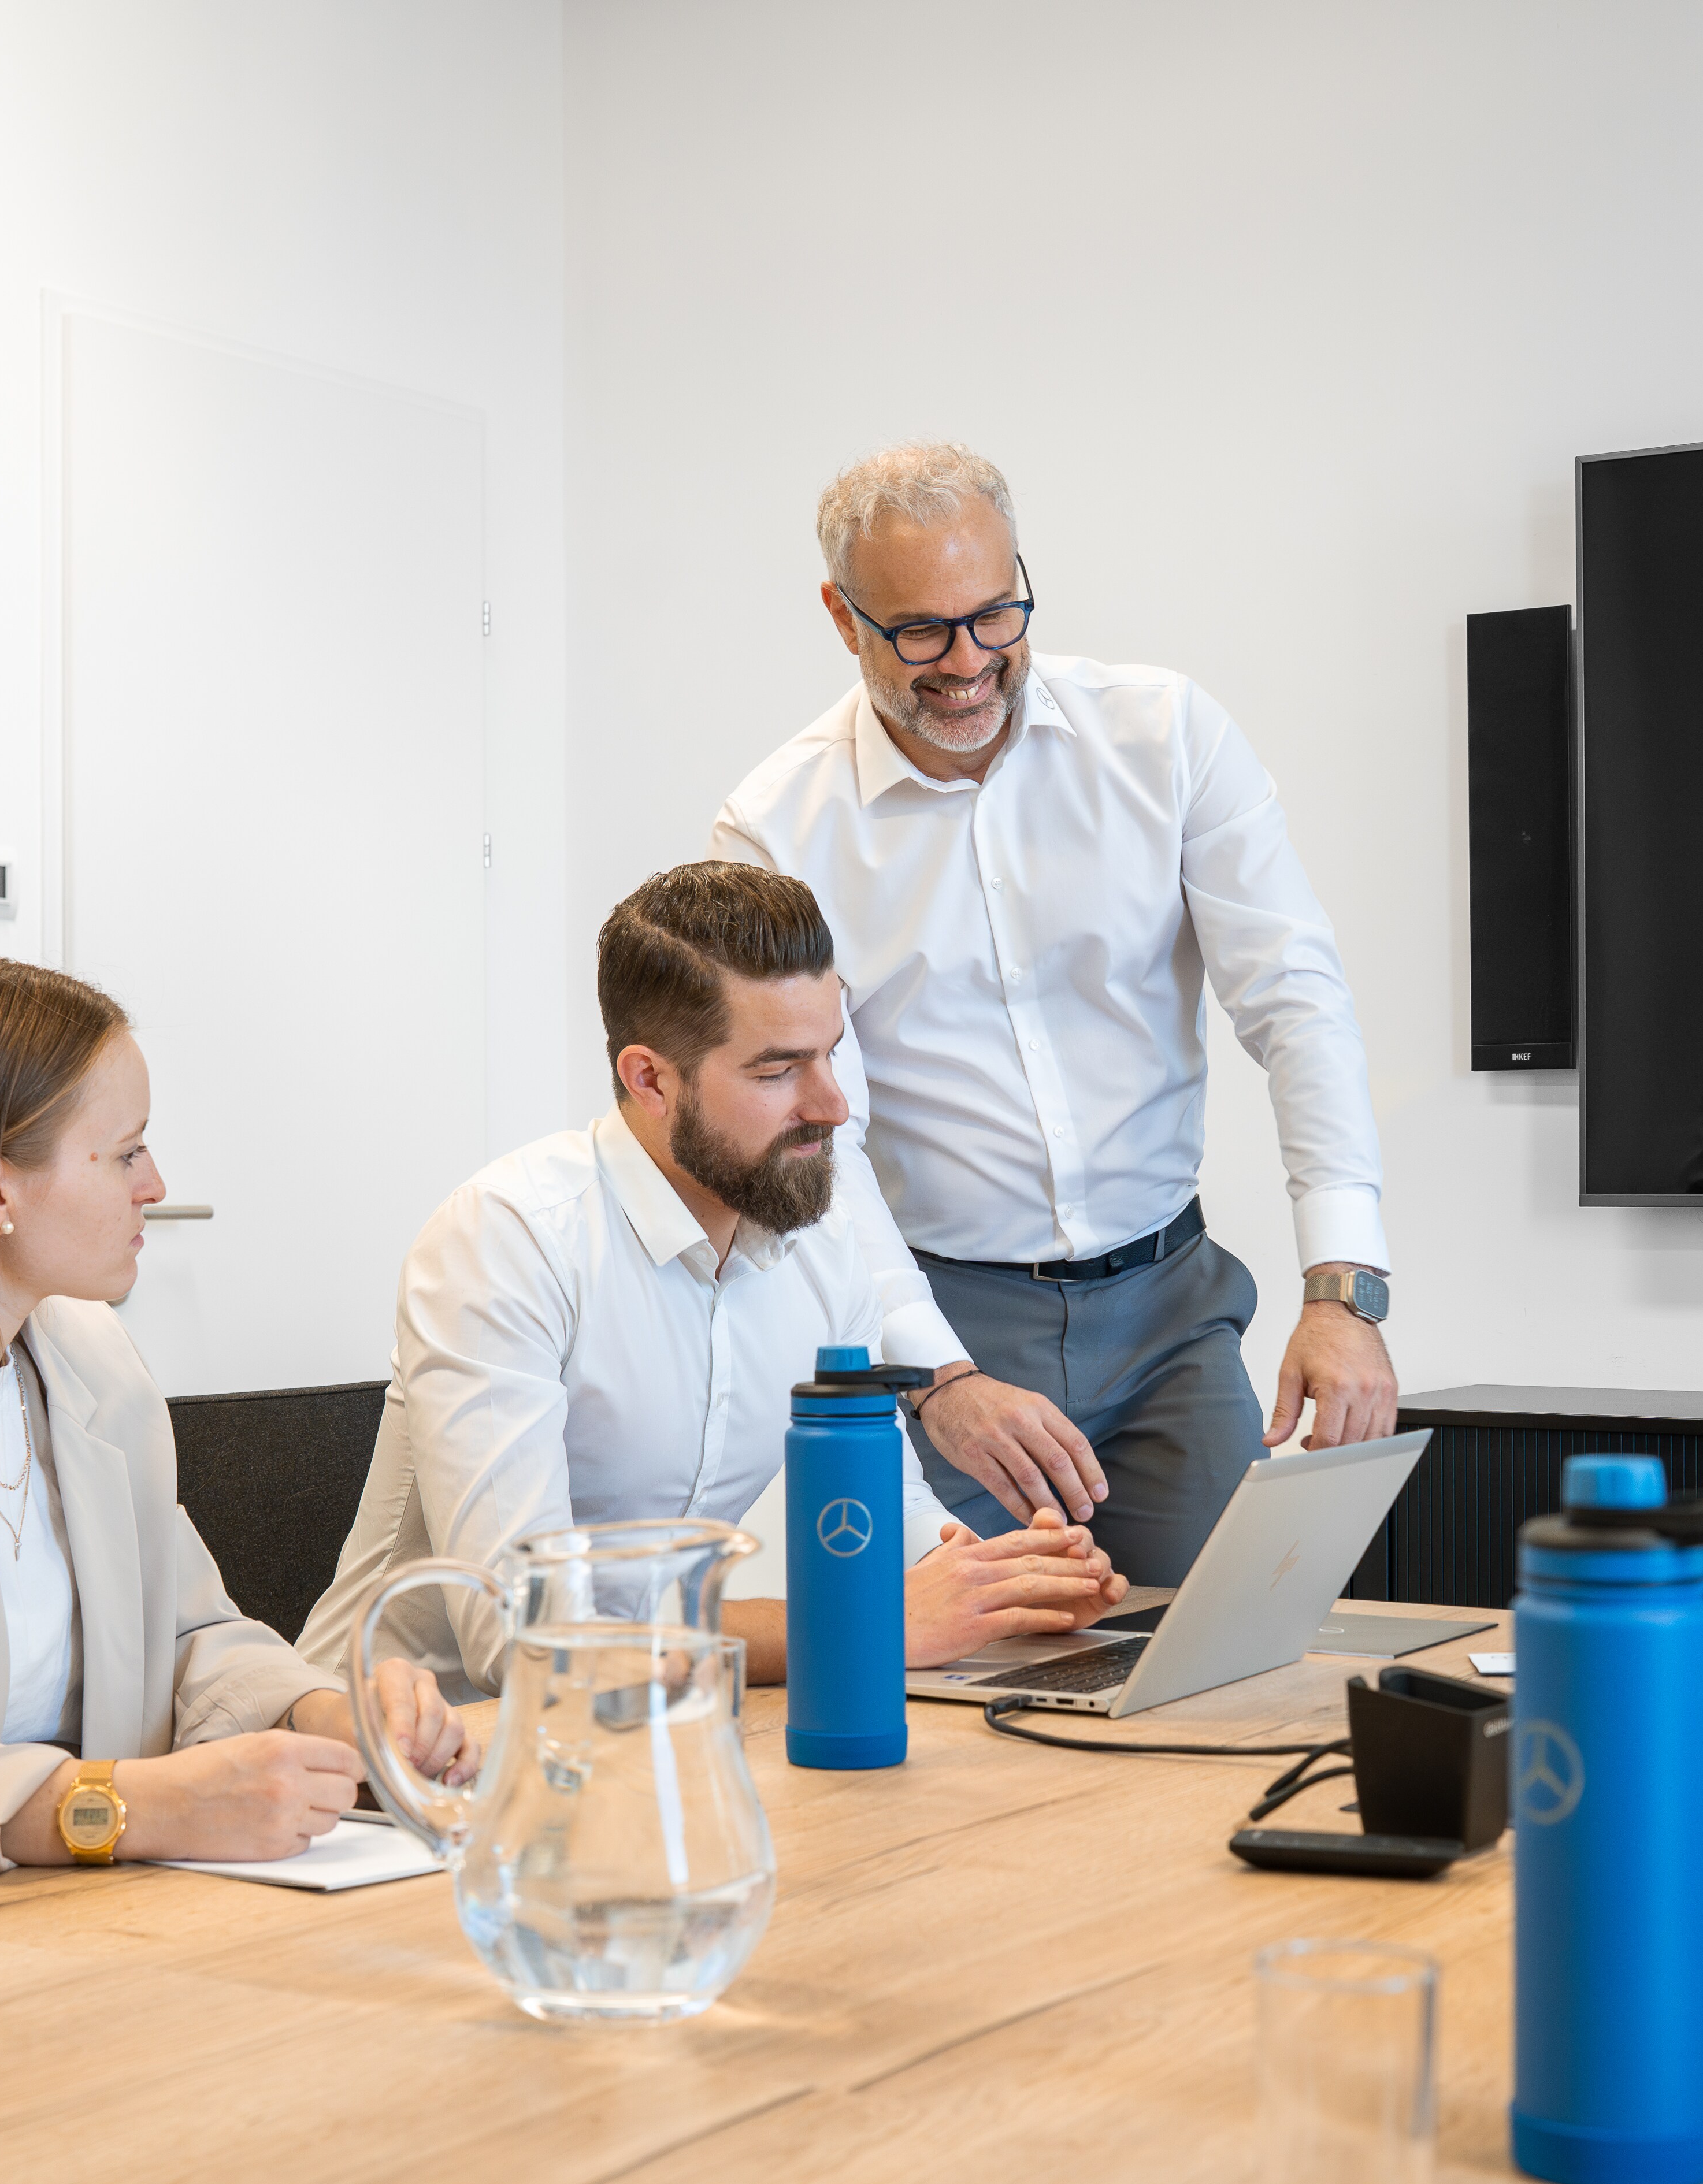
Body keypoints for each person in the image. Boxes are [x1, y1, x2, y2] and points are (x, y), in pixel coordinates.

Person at [711, 439, 1397, 1587]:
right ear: (842, 617)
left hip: (1173, 1310)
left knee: (1233, 1659)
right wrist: (938, 1378)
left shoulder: (1166, 736)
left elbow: (1297, 1001)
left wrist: (1345, 1285)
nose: (969, 662)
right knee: (968, 1685)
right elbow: (816, 1129)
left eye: (996, 614)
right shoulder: (780, 826)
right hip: (949, 1316)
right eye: (922, 630)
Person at [298, 863, 1126, 1693]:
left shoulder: (822, 1236)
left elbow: (891, 1520)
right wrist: (860, 1622)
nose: (833, 1105)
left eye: (831, 1055)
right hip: (403, 1759)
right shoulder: (506, 1239)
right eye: (777, 1072)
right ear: (650, 1079)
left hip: (663, 1721)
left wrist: (1005, 1584)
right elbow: (527, 1642)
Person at [0, 957, 476, 1873]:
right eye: (125, 1153)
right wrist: (121, 1806)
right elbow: (128, 1798)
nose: (154, 1185)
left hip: (86, 1922)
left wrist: (326, 1713)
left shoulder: (91, 1360)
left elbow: (189, 1632)